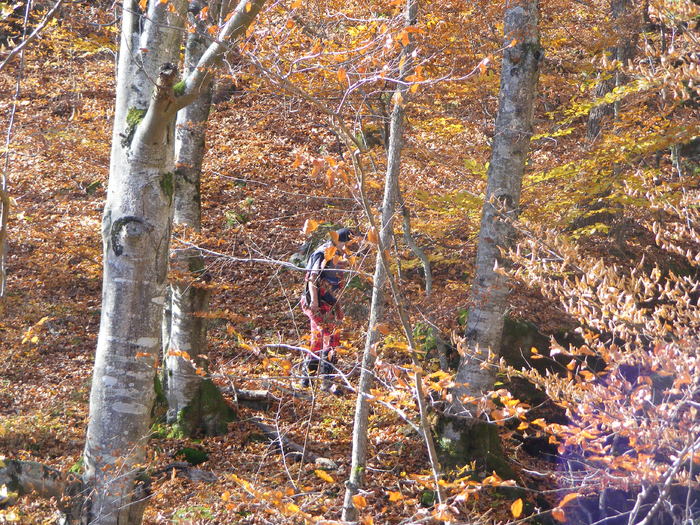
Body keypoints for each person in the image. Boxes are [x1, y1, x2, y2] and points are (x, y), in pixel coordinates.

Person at [300, 227, 354, 390]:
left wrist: (338, 307)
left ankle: (306, 381)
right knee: (330, 338)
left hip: (329, 304)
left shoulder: (338, 257)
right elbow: (312, 278)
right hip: (316, 302)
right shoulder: (323, 253)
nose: (348, 248)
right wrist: (315, 302)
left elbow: (336, 287)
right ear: (339, 241)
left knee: (317, 340)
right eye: (347, 244)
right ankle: (326, 382)